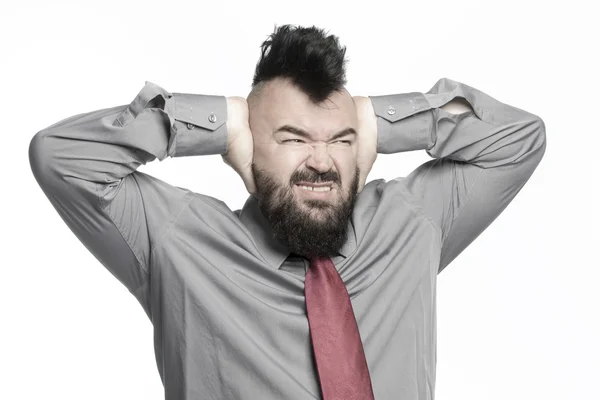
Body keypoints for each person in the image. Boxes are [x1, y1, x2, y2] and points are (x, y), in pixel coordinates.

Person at [28, 24, 546, 400]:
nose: (321, 161)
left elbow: (521, 139)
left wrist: (378, 119)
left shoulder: (409, 222)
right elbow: (60, 157)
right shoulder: (178, 241)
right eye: (293, 138)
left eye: (340, 140)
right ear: (247, 145)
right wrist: (221, 120)